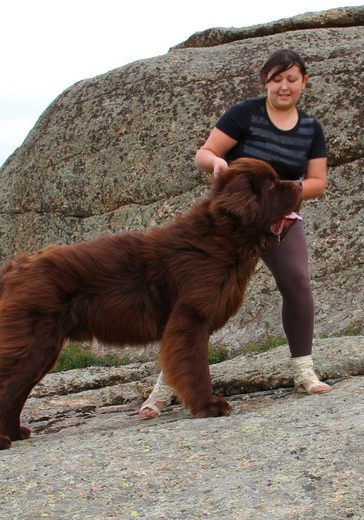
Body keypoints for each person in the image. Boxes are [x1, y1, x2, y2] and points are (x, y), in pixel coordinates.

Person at [140, 49, 331, 419]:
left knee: (297, 282)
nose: (284, 86)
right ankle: (164, 389)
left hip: (280, 221)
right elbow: (206, 152)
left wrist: (280, 194)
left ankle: (303, 371)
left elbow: (318, 182)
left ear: (304, 82)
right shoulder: (245, 113)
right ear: (265, 81)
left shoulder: (311, 129)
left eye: (292, 79)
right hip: (231, 223)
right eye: (276, 78)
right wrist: (216, 163)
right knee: (197, 301)